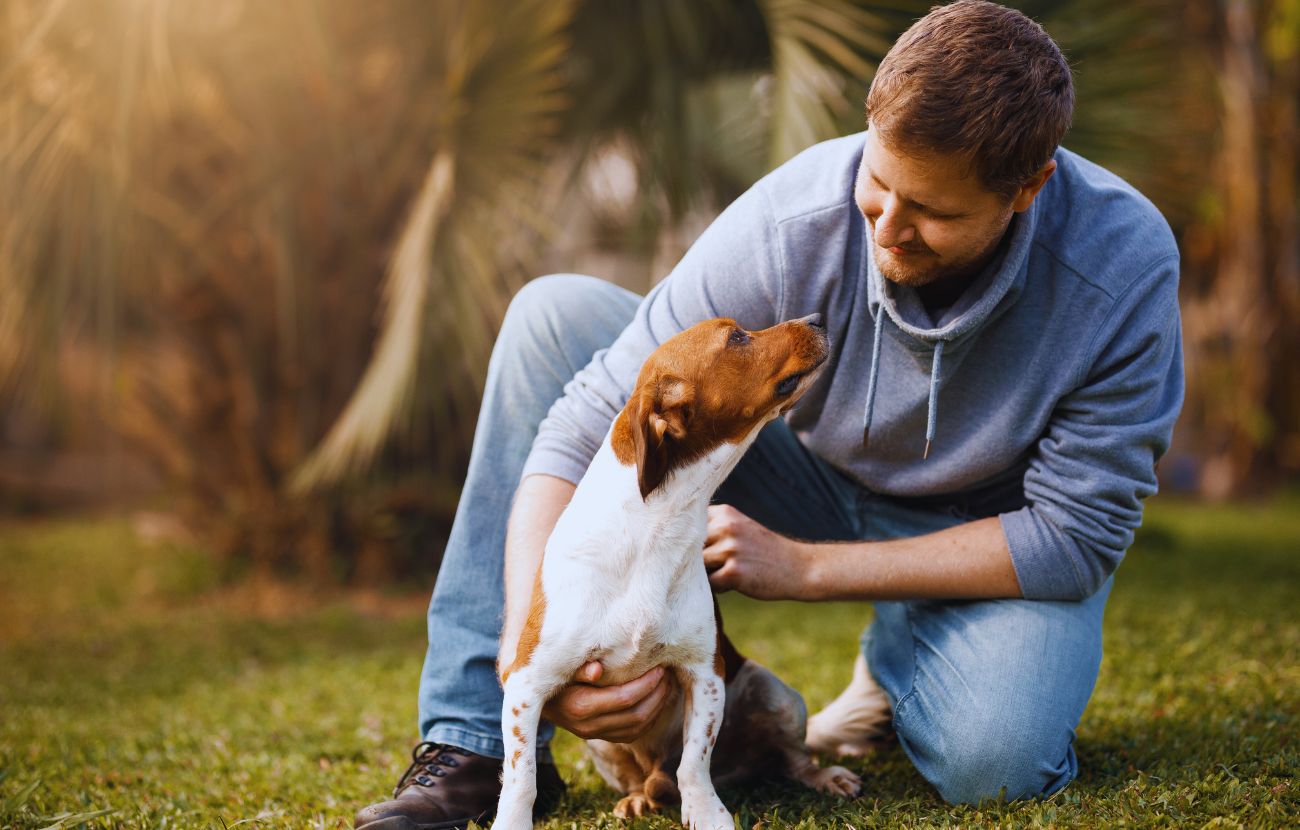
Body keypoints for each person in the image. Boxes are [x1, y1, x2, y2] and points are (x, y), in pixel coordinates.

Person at [354, 1, 1184, 827]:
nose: (888, 231)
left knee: (997, 762)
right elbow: (582, 421)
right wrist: (526, 649)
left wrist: (808, 570)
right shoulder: (794, 216)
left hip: (985, 527)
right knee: (550, 317)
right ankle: (471, 746)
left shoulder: (1121, 267)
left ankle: (909, 658)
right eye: (879, 184)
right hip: (806, 472)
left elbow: (1073, 539)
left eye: (933, 211)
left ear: (1029, 188)